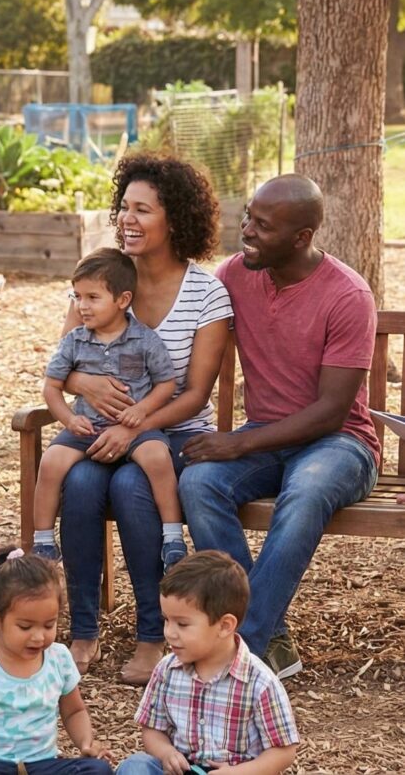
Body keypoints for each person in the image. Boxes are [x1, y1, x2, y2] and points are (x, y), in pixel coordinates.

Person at [178, 174, 380, 681]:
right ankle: (268, 634)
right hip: (269, 436)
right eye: (248, 215)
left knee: (306, 489)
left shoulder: (347, 295)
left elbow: (332, 411)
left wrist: (238, 442)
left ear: (302, 237)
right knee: (198, 482)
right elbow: (179, 313)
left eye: (262, 225)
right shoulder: (237, 275)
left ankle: (238, 646)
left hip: (341, 444)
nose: (246, 230)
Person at [57, 152, 233, 685]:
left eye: (143, 210)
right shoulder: (103, 278)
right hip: (101, 430)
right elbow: (63, 362)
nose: (128, 220)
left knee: (133, 486)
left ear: (174, 219)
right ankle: (83, 629)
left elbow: (196, 392)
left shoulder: (206, 293)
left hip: (174, 435)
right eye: (124, 208)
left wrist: (133, 425)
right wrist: (82, 383)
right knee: (83, 482)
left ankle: (153, 634)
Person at [33, 248, 187, 572]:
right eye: (77, 296)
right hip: (86, 429)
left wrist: (142, 411)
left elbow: (167, 384)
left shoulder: (145, 340)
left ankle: (173, 537)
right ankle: (43, 541)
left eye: (92, 297)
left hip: (134, 430)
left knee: (159, 458)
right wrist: (68, 419)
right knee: (50, 463)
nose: (81, 306)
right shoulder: (74, 341)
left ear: (122, 299)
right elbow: (51, 387)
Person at [0, 546, 114, 775]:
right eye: (25, 627)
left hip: (42, 764)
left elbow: (74, 711)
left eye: (49, 625)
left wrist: (86, 742)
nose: (38, 636)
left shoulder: (59, 658)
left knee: (98, 770)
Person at [116, 552, 298, 775]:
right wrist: (166, 753)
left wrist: (238, 772)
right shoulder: (166, 670)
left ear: (224, 626)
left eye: (182, 624)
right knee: (135, 767)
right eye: (166, 620)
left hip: (237, 771)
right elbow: (152, 729)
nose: (169, 633)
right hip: (183, 770)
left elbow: (284, 751)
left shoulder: (260, 683)